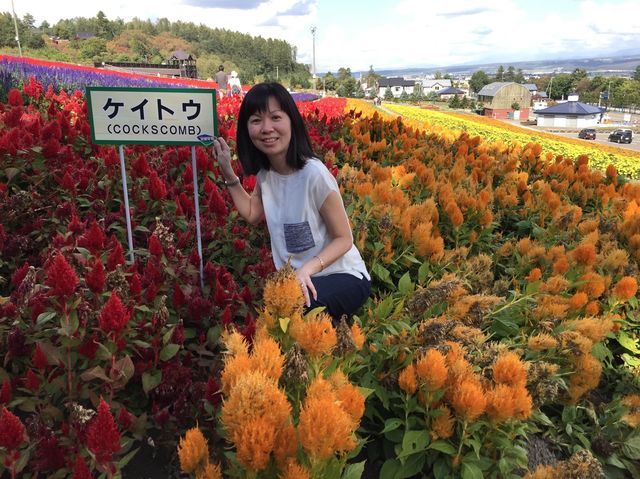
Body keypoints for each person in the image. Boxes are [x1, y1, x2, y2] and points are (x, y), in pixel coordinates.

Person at [212, 82, 371, 322]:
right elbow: (253, 213)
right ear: (247, 129)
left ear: (291, 122)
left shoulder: (314, 175)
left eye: (275, 117)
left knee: (291, 307)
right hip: (298, 279)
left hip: (344, 275)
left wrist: (306, 269)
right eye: (256, 120)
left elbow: (344, 239)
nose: (266, 128)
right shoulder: (267, 176)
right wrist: (227, 171)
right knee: (279, 305)